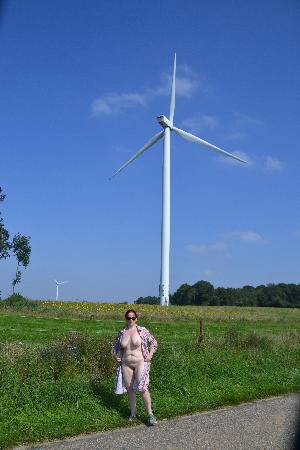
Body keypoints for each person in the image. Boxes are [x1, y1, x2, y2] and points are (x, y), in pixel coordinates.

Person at [112, 309, 158, 426]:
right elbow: (115, 348)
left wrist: (150, 355)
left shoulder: (142, 331)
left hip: (140, 362)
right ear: (126, 319)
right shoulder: (122, 332)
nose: (130, 320)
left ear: (136, 319)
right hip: (126, 363)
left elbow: (153, 343)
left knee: (142, 388)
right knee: (130, 389)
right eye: (128, 318)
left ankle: (150, 415)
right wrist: (116, 356)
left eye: (133, 318)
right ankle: (133, 413)